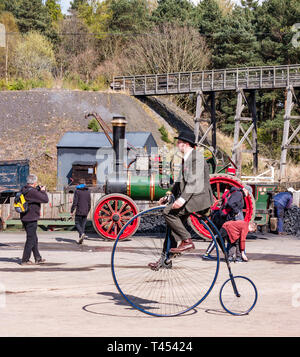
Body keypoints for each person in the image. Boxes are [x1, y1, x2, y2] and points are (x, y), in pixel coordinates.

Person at [148, 130, 214, 270]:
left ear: (185, 144)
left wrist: (182, 200)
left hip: (198, 198)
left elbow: (194, 182)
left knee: (168, 212)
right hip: (191, 196)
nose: (177, 145)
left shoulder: (197, 158)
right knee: (172, 228)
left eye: (178, 143)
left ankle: (187, 240)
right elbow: (180, 181)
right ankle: (165, 260)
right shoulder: (188, 158)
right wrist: (169, 195)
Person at [202, 184, 252, 260]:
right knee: (219, 236)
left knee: (223, 236)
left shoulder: (236, 193)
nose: (247, 195)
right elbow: (230, 203)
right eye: (248, 193)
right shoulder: (239, 194)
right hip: (222, 218)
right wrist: (236, 212)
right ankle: (207, 254)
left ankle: (227, 255)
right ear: (246, 190)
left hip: (223, 216)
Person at [20, 174, 49, 265]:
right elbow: (45, 199)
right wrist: (43, 191)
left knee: (34, 238)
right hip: (31, 218)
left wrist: (37, 189)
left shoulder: (24, 189)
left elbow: (32, 195)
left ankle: (38, 258)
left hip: (25, 217)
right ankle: (25, 259)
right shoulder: (32, 192)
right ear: (34, 182)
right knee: (31, 239)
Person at [71, 179, 91, 244]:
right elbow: (89, 203)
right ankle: (81, 238)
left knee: (77, 223)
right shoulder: (88, 191)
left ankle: (81, 233)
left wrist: (72, 210)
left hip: (79, 210)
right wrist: (88, 210)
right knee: (83, 225)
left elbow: (75, 202)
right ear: (84, 184)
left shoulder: (77, 191)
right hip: (85, 211)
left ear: (79, 184)